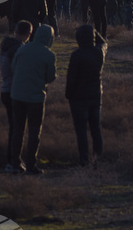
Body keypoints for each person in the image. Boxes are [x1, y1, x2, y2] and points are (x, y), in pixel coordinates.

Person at [9, 24, 57, 174]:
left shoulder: (22, 49)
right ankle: (31, 164)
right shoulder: (48, 55)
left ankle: (15, 162)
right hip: (36, 97)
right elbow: (50, 77)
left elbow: (13, 68)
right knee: (34, 132)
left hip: (17, 95)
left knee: (18, 130)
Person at [66, 25, 107, 167]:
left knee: (81, 131)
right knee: (96, 129)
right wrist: (94, 31)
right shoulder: (99, 52)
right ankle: (98, 158)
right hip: (96, 95)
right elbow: (104, 43)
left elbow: (71, 79)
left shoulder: (77, 55)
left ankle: (84, 160)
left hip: (79, 97)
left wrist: (68, 95)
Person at [1, 21, 33, 173]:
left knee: (14, 128)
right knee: (17, 129)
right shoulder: (18, 50)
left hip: (6, 89)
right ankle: (13, 161)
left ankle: (11, 161)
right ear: (28, 34)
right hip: (16, 91)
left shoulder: (7, 46)